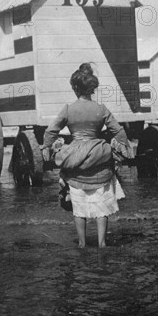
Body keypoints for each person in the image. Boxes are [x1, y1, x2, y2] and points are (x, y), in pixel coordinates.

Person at [42, 63, 133, 248]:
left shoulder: (68, 109)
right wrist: (122, 149)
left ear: (75, 88)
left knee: (79, 205)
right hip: (99, 155)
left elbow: (50, 132)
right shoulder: (101, 108)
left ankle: (82, 243)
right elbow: (119, 131)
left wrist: (47, 148)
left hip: (74, 156)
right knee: (101, 206)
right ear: (92, 88)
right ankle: (102, 242)